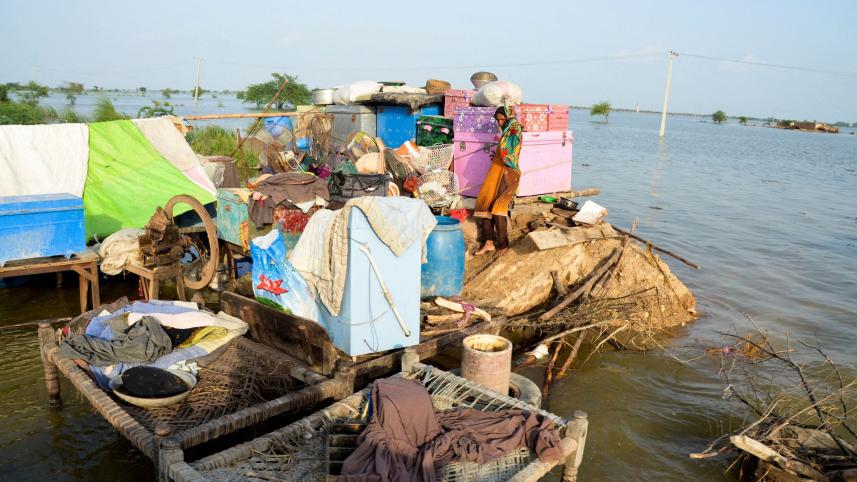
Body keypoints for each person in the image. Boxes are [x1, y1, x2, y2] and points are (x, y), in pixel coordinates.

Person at [473, 105, 523, 256]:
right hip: (496, 170)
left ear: (508, 117)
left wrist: (500, 142)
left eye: (502, 119)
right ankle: (488, 242)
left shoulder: (515, 128)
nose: (500, 123)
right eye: (498, 120)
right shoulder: (507, 130)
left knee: (498, 207)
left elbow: (508, 151)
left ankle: (502, 245)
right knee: (484, 203)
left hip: (508, 172)